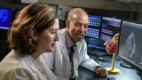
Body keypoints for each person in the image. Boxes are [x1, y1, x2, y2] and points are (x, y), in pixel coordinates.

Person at [0, 2, 67, 80]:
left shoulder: (36, 57)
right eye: (53, 32)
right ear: (34, 34)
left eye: (57, 31)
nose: (57, 38)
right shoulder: (18, 71)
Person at [42, 8, 108, 80]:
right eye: (77, 25)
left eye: (85, 26)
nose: (81, 30)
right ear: (67, 23)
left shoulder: (81, 41)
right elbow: (45, 75)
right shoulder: (53, 41)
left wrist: (97, 68)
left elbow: (84, 59)